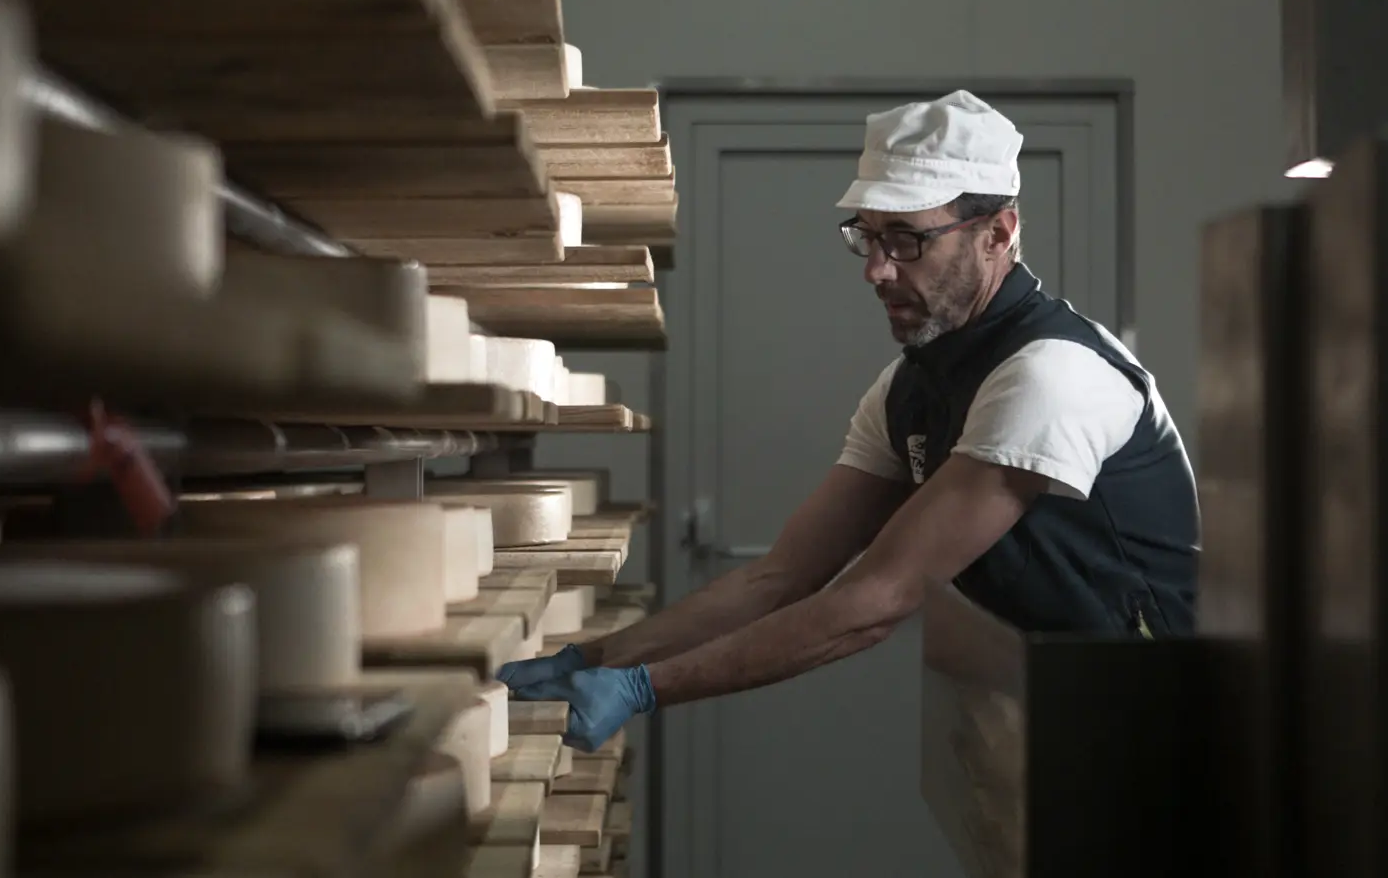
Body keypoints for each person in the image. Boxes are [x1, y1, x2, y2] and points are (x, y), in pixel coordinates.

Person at [500, 89, 1201, 751]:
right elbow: (778, 579)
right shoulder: (908, 389)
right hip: (1052, 709)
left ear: (998, 232)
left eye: (906, 241)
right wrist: (590, 658)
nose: (876, 271)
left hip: (1156, 717)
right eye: (866, 238)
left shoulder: (1049, 374)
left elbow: (877, 599)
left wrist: (643, 688)